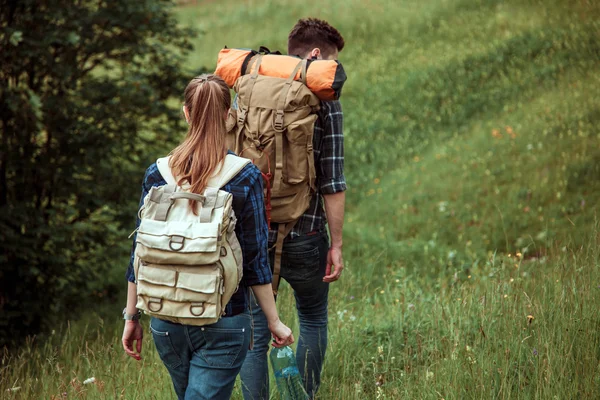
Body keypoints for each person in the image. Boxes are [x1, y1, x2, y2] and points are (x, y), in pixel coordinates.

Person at [121, 74, 294, 400]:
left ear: (186, 113)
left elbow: (139, 252)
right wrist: (274, 321)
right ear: (229, 115)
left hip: (166, 319)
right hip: (226, 321)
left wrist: (132, 316)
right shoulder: (245, 176)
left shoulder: (157, 173)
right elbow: (256, 259)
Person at [240, 18, 346, 399]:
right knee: (313, 319)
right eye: (330, 62)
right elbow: (333, 182)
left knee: (255, 327)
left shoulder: (250, 90)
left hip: (253, 232)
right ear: (316, 55)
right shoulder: (325, 100)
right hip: (307, 232)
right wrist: (336, 244)